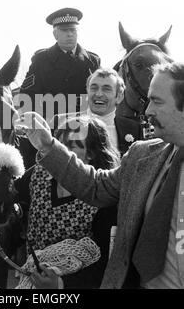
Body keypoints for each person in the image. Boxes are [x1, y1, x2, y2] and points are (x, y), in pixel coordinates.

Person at [14, 61, 184, 289]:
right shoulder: (143, 155)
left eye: (157, 101)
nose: (147, 111)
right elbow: (97, 187)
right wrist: (48, 145)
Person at [16, 115, 120, 289]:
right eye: (59, 144)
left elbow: (106, 265)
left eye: (70, 147)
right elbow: (11, 201)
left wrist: (61, 284)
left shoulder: (105, 200)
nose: (60, 153)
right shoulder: (37, 175)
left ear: (91, 153)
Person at [19, 7, 100, 123]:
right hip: (51, 127)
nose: (70, 34)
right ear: (55, 34)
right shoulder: (41, 60)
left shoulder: (92, 61)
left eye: (73, 30)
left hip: (85, 127)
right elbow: (27, 97)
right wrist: (42, 125)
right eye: (64, 30)